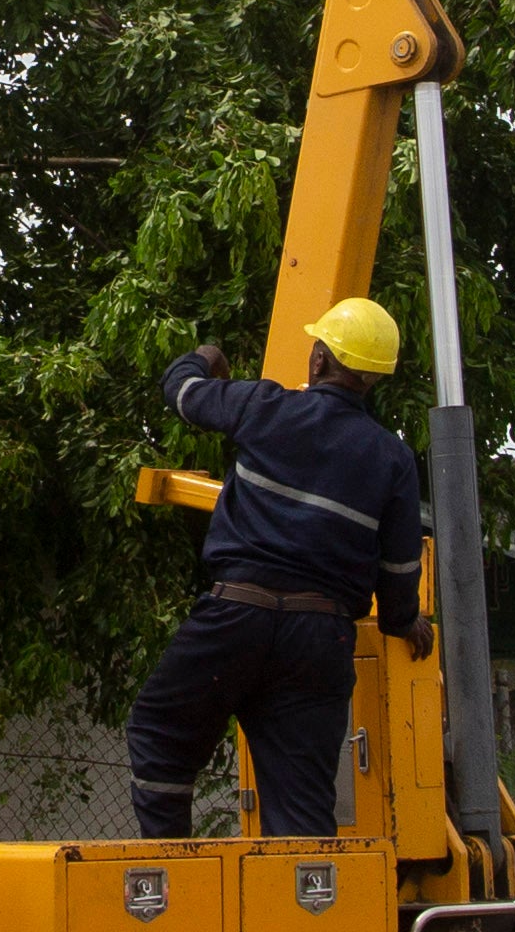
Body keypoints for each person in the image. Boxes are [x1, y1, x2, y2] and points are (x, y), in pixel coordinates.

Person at [126, 298, 428, 841]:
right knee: (302, 803)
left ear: (317, 362)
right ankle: (307, 911)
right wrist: (404, 623)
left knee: (161, 733)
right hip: (319, 640)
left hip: (235, 618)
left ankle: (171, 876)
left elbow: (183, 392)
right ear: (374, 377)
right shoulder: (392, 459)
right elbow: (401, 567)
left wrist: (206, 354)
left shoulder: (264, 407)